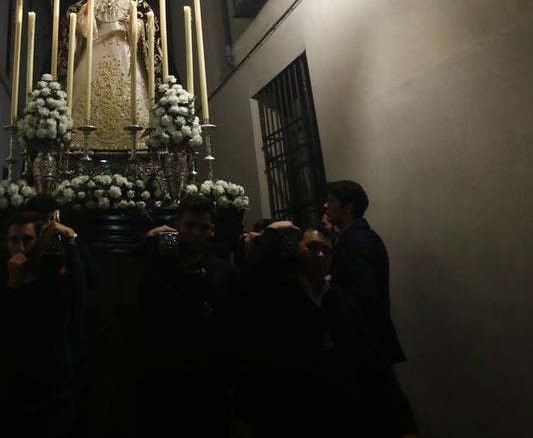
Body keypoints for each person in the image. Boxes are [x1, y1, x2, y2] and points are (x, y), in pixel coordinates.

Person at [233, 224, 418, 438]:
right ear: (297, 252)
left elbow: (374, 360)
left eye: (327, 251)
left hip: (341, 417)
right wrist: (272, 234)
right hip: (292, 416)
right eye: (313, 247)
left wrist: (405, 423)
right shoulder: (278, 295)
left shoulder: (342, 302)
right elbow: (247, 288)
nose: (320, 255)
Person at [0, 212, 87, 438]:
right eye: (14, 240)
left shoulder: (51, 280)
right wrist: (13, 285)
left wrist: (71, 240)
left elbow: (77, 296)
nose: (21, 248)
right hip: (10, 390)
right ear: (7, 242)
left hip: (50, 389)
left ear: (38, 241)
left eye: (28, 239)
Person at [139, 195, 237, 436]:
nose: (195, 233)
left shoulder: (225, 272)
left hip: (209, 381)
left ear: (212, 230)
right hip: (164, 377)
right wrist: (149, 246)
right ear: (177, 226)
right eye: (189, 225)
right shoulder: (157, 266)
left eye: (203, 227)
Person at [66, 0, 155, 149]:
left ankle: (136, 138)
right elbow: (83, 30)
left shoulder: (127, 1)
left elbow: (139, 30)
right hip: (96, 49)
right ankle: (85, 139)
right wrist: (83, 17)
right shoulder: (91, 1)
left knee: (131, 90)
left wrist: (131, 24)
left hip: (124, 49)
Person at [324, 179, 406, 364]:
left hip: (364, 343)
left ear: (348, 207)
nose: (325, 205)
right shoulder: (356, 237)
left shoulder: (358, 240)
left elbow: (364, 296)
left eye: (331, 201)